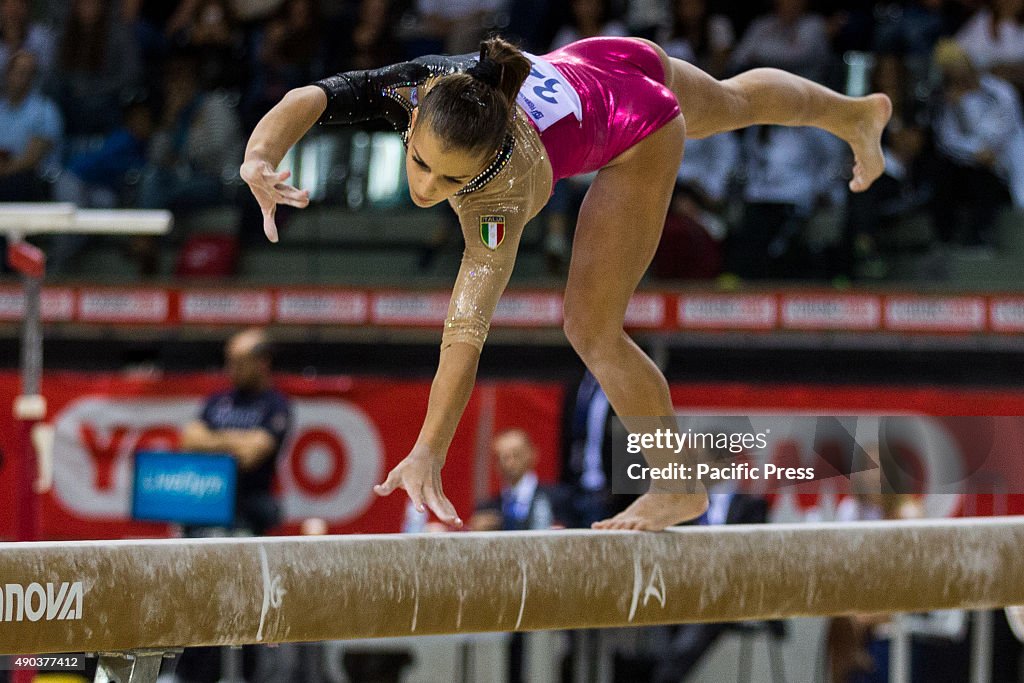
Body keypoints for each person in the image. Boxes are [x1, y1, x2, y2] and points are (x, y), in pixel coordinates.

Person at [241, 33, 891, 531]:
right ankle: (854, 116)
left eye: (449, 181)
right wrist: (259, 158)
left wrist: (428, 448)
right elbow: (314, 97)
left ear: (483, 166)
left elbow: (464, 335)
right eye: (420, 164)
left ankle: (677, 481)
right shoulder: (423, 86)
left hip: (640, 129)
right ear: (412, 121)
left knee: (591, 329)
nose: (425, 189)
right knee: (735, 100)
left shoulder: (500, 196)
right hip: (613, 60)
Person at [180, 327, 292, 536]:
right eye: (230, 362)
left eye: (240, 363)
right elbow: (189, 439)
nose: (231, 369)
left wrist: (212, 442)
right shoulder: (218, 400)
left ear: (262, 362)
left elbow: (251, 455)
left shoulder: (275, 405)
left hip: (249, 507)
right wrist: (239, 441)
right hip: (206, 500)